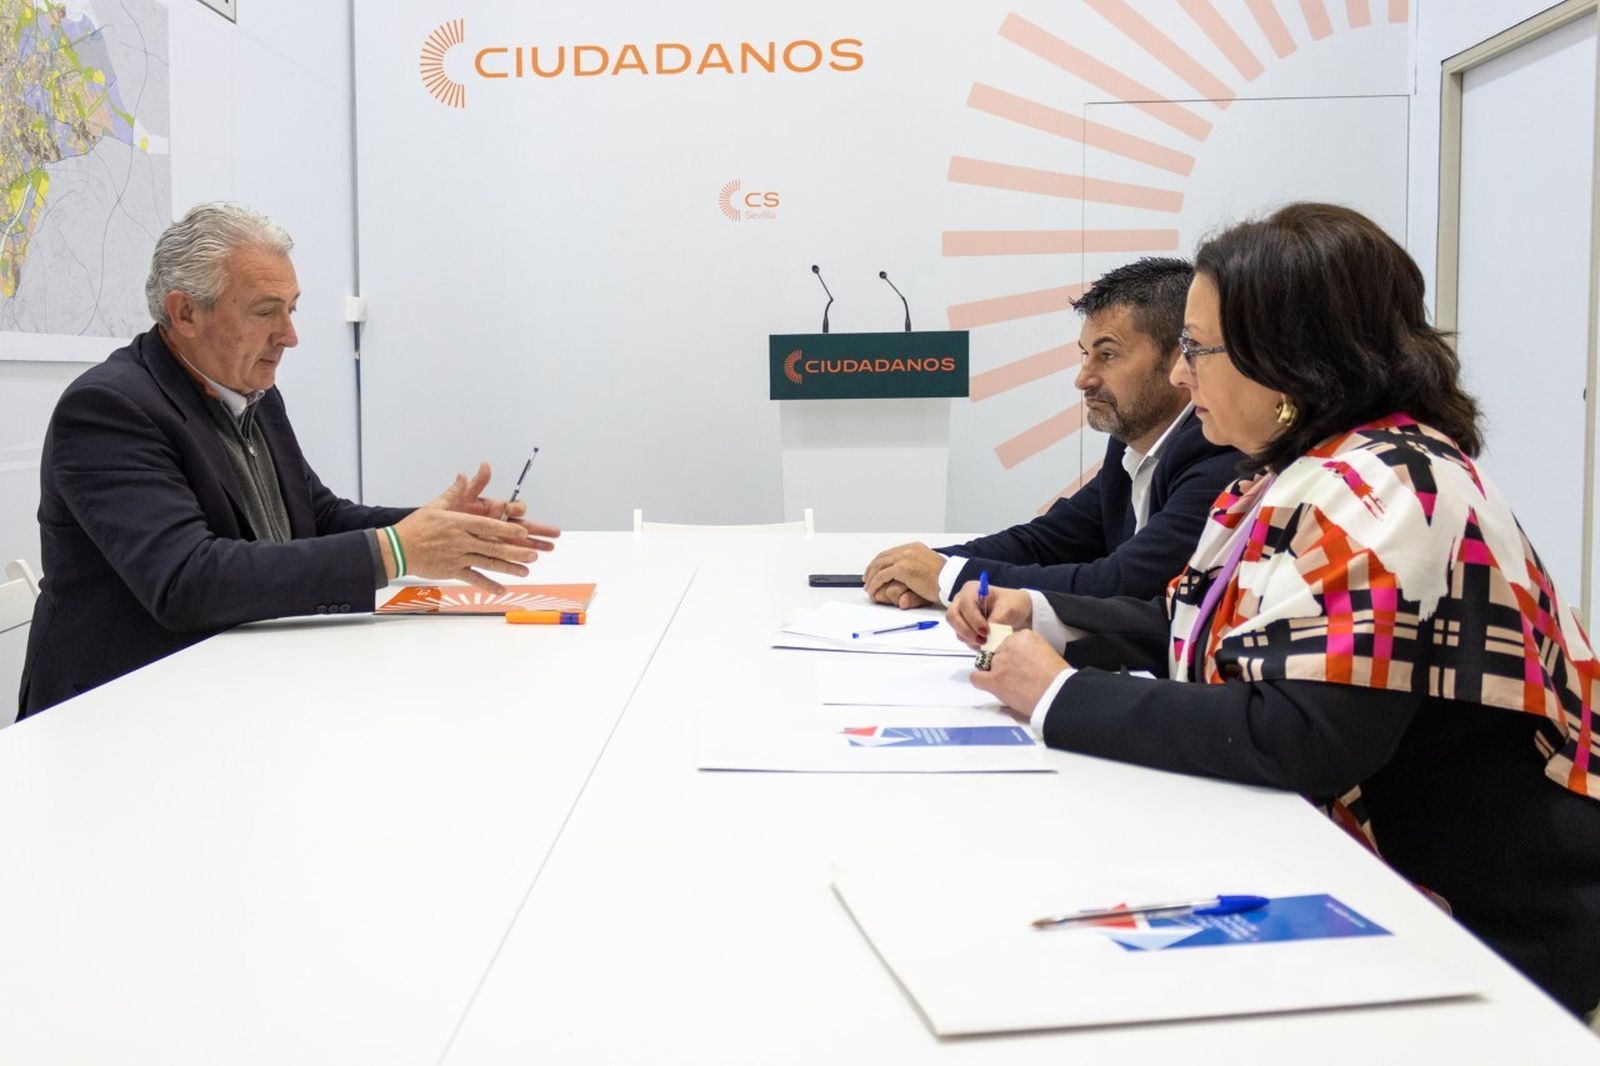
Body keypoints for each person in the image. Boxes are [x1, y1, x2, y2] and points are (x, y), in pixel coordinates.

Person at [948, 203, 1600, 1017]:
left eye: (1196, 348)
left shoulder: (1388, 486)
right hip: (1375, 884)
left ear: (1286, 355)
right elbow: (1236, 636)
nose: (1181, 377)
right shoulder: (1305, 469)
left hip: (1484, 927)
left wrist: (1058, 694)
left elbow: (1301, 735)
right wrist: (1049, 620)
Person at [18, 203, 560, 718]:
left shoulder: (252, 391)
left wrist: (435, 528)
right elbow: (186, 580)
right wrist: (398, 550)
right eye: (265, 312)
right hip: (117, 713)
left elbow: (315, 516)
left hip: (235, 685)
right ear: (185, 312)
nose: (291, 336)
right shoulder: (109, 409)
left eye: (291, 309)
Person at [864, 258, 1239, 609]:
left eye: (1107, 355)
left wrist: (949, 578)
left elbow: (1124, 583)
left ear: (1179, 357)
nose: (1083, 378)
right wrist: (926, 567)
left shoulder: (1218, 453)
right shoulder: (1132, 442)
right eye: (1085, 355)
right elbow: (1050, 540)